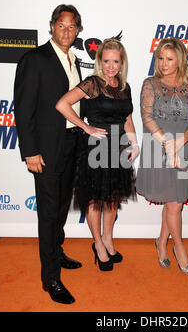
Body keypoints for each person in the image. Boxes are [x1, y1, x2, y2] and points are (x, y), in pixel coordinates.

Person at [14, 4, 84, 305]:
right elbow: (24, 107)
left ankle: (57, 251)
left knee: (60, 209)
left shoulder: (74, 59)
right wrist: (30, 151)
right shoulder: (35, 59)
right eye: (61, 25)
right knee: (48, 212)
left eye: (72, 26)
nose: (66, 31)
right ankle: (51, 278)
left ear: (78, 30)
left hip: (71, 145)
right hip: (46, 150)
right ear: (52, 26)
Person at [56, 38, 138, 272]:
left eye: (115, 61)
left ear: (122, 63)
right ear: (99, 61)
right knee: (94, 200)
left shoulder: (124, 86)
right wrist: (85, 126)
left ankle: (108, 239)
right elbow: (62, 104)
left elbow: (128, 118)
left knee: (112, 198)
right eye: (106, 61)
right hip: (96, 148)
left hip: (119, 147)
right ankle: (98, 245)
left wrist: (134, 143)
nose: (111, 66)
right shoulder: (92, 83)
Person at [136, 38, 188, 276]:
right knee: (172, 202)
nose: (163, 63)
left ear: (180, 60)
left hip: (183, 148)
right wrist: (168, 145)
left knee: (175, 203)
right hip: (159, 149)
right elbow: (147, 116)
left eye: (169, 59)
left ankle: (162, 242)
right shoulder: (150, 84)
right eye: (160, 58)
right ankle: (179, 247)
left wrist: (181, 142)